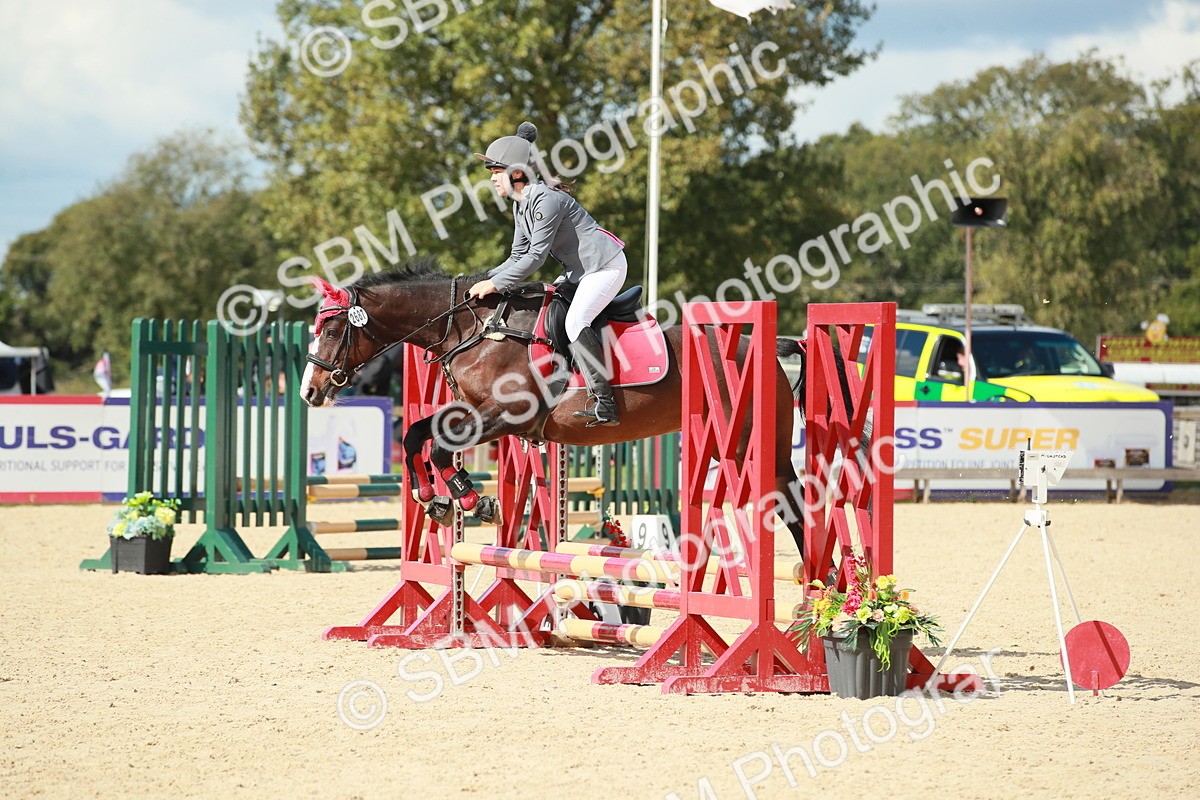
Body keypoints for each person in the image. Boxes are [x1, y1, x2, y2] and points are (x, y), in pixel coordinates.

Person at [467, 122, 626, 427]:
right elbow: (516, 256)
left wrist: (495, 283)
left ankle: (605, 403)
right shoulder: (521, 205)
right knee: (547, 310)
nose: (491, 179)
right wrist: (482, 280)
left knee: (576, 320)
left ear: (515, 173)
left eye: (495, 172)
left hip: (605, 266)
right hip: (579, 271)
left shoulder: (545, 201)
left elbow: (535, 257)